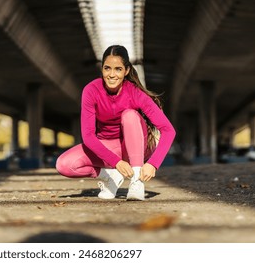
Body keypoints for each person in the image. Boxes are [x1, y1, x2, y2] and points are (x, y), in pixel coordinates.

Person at [56, 45, 176, 200]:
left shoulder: (134, 92)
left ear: (126, 71)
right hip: (108, 148)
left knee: (130, 115)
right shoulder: (91, 90)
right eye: (107, 68)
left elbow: (168, 130)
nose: (112, 75)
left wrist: (153, 164)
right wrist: (116, 163)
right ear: (102, 69)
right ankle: (110, 176)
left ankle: (136, 182)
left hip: (135, 147)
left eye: (118, 69)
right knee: (64, 164)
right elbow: (88, 136)